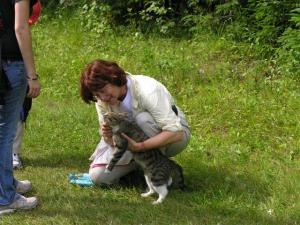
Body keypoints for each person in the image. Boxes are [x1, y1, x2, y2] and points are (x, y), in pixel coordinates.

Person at [80, 59, 191, 185]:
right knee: (98, 177)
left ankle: (162, 171)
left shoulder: (148, 89)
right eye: (97, 95)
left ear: (113, 78)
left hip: (174, 137)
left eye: (104, 91)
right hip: (131, 143)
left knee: (143, 120)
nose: (103, 98)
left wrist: (140, 147)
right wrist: (107, 136)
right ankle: (138, 171)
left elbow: (176, 133)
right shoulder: (101, 101)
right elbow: (111, 140)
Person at [0, 0, 41, 214]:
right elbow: (20, 27)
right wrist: (31, 75)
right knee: (4, 134)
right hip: (9, 63)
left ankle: (8, 183)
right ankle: (4, 198)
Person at [12, 0, 41, 169]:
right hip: (11, 54)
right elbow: (21, 28)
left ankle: (12, 153)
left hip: (14, 50)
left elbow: (24, 25)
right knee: (15, 105)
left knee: (18, 107)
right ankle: (11, 154)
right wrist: (32, 76)